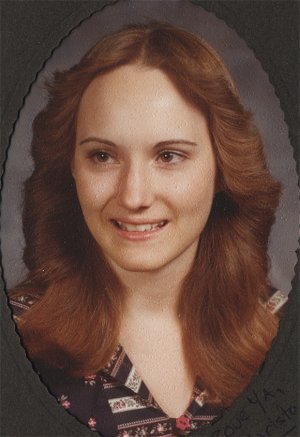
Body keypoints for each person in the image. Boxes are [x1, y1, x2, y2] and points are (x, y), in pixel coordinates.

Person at [9, 22, 287, 436]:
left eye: (169, 155)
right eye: (103, 156)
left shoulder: (284, 332)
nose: (134, 195)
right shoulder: (15, 339)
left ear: (223, 167)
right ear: (70, 167)